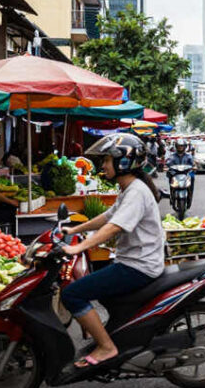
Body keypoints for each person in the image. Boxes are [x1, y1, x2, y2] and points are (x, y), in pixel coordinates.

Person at [59, 133, 163, 368]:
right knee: (99, 287)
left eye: (107, 160)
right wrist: (74, 228)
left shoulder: (136, 192)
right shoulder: (129, 189)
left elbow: (113, 227)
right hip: (132, 262)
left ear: (123, 162)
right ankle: (116, 334)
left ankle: (107, 347)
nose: (103, 165)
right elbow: (108, 216)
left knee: (72, 294)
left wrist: (79, 246)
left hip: (138, 266)